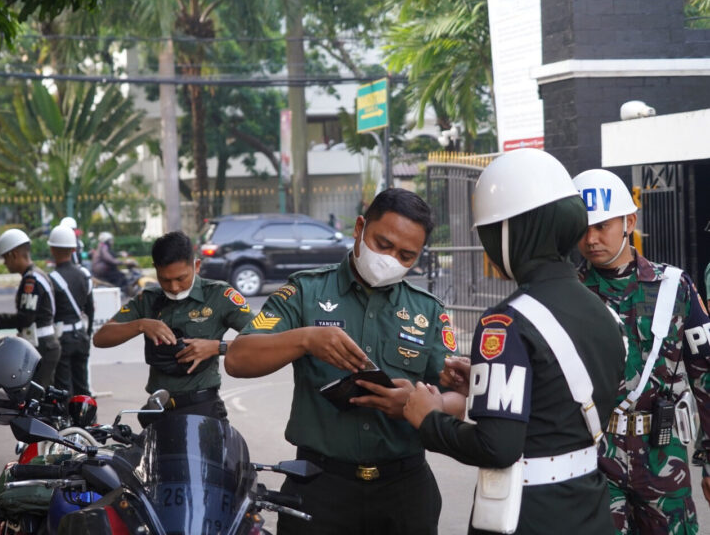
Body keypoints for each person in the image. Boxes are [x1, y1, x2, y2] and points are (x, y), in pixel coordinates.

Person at [401, 149, 626, 535]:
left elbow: (497, 447)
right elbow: (560, 399)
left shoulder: (504, 323)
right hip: (589, 507)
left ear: (509, 231)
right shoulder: (602, 311)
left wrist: (429, 420)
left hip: (528, 515)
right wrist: (482, 381)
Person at [224, 188, 464, 535]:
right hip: (319, 487)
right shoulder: (305, 292)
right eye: (383, 244)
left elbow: (458, 400)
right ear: (360, 228)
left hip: (404, 490)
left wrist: (421, 405)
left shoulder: (428, 312)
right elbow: (238, 358)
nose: (391, 259)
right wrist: (305, 339)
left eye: (406, 255)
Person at [573, 168, 710, 534]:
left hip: (664, 453)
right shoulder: (566, 293)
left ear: (629, 221)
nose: (591, 238)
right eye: (583, 227)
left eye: (602, 225)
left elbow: (706, 375)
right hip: (591, 456)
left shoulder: (674, 287)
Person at [93, 230, 252, 426]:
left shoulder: (220, 295)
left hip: (202, 408)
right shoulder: (147, 299)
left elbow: (263, 338)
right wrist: (141, 325)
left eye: (181, 278)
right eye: (165, 280)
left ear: (197, 266)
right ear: (155, 270)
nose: (174, 287)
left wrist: (217, 347)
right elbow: (100, 338)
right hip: (158, 410)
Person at [0, 228, 60, 389]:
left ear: (13, 254)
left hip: (41, 345)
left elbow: (26, 318)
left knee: (36, 397)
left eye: (5, 258)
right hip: (43, 343)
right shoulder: (35, 275)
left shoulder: (31, 280)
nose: (4, 263)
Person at [48, 224, 95, 396]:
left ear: (52, 249)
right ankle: (88, 420)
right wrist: (87, 334)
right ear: (74, 248)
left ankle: (68, 422)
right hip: (81, 336)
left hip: (62, 339)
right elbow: (90, 310)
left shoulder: (51, 279)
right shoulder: (84, 275)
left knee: (64, 388)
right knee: (83, 386)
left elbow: (49, 314)